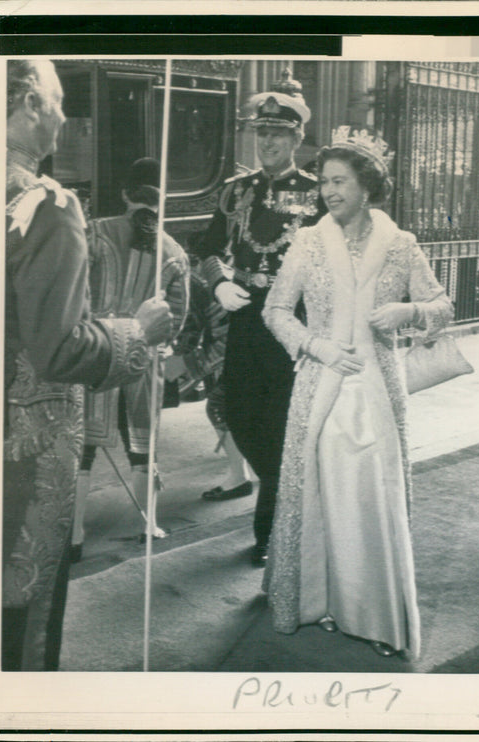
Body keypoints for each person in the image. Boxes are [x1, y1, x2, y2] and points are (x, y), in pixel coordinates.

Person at [3, 59, 172, 669]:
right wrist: (136, 331)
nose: (64, 115)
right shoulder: (44, 205)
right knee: (21, 618)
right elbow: (60, 348)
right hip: (22, 453)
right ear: (27, 104)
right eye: (57, 99)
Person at [262, 127, 454, 658]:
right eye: (324, 181)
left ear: (367, 186)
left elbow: (442, 307)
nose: (328, 191)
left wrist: (408, 312)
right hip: (320, 384)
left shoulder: (400, 245)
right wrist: (316, 347)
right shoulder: (306, 242)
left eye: (340, 181)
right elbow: (275, 311)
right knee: (321, 491)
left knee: (371, 496)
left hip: (377, 387)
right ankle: (316, 601)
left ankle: (374, 615)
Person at [196, 73, 325, 566]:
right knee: (243, 418)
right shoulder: (236, 191)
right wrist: (218, 281)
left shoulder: (315, 195)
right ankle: (279, 491)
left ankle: (269, 533)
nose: (267, 141)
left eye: (277, 134)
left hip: (293, 323)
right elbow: (208, 248)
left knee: (284, 424)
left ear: (296, 139)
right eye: (261, 133)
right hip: (247, 318)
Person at [70, 158, 190, 561]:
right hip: (145, 359)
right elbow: (176, 316)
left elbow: (76, 295)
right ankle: (148, 525)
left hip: (100, 350)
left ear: (125, 194)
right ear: (163, 198)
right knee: (144, 447)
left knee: (84, 447)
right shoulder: (175, 251)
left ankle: (74, 535)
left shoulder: (96, 233)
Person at [166, 250, 255, 501]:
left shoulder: (195, 285)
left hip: (245, 348)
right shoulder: (194, 279)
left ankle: (240, 478)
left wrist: (186, 364)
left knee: (219, 405)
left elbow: (220, 341)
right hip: (245, 345)